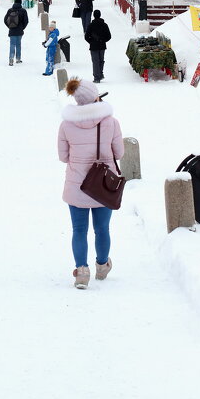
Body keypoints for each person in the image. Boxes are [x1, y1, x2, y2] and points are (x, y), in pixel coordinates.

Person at [58, 77, 124, 289]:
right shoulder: (111, 122)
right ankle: (103, 265)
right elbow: (119, 153)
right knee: (102, 228)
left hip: (77, 184)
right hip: (104, 184)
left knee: (79, 229)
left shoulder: (66, 125)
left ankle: (82, 272)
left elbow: (63, 156)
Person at [85, 10, 111, 83]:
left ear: (93, 15)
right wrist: (103, 40)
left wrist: (91, 42)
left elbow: (86, 36)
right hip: (102, 46)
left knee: (95, 61)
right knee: (101, 60)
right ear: (100, 15)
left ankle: (97, 77)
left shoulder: (91, 25)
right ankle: (100, 74)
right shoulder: (104, 25)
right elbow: (109, 36)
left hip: (93, 46)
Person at [4, 0, 29, 65]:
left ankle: (11, 59)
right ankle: (18, 59)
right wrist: (22, 28)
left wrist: (10, 27)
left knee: (12, 44)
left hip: (12, 30)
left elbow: (5, 20)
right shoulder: (23, 11)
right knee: (18, 44)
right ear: (20, 3)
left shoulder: (10, 10)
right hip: (20, 31)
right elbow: (26, 21)